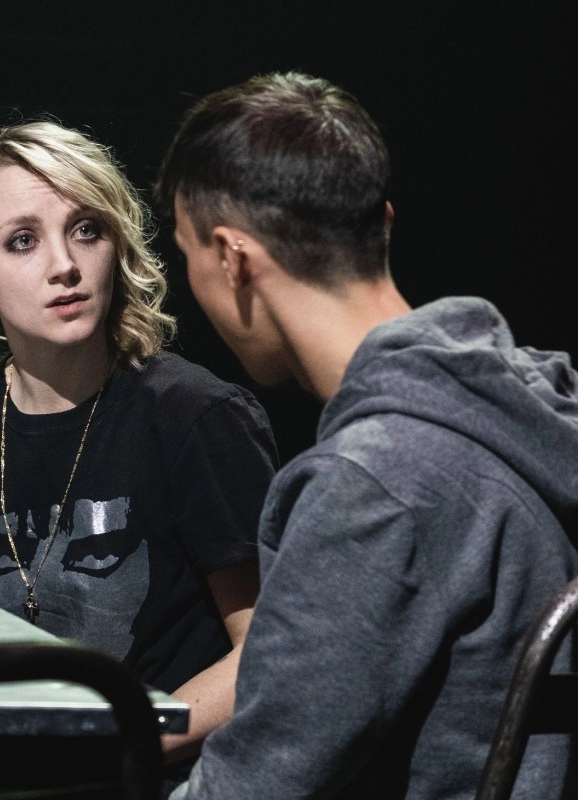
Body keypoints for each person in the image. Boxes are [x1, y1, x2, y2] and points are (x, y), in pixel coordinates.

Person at [154, 71, 578, 799]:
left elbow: (253, 786)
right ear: (382, 221)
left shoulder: (372, 486)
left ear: (231, 258)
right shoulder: (535, 406)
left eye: (186, 252)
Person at [0, 117, 279, 790]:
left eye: (86, 230)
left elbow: (270, 651)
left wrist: (114, 744)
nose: (64, 264)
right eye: (23, 241)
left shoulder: (193, 417)